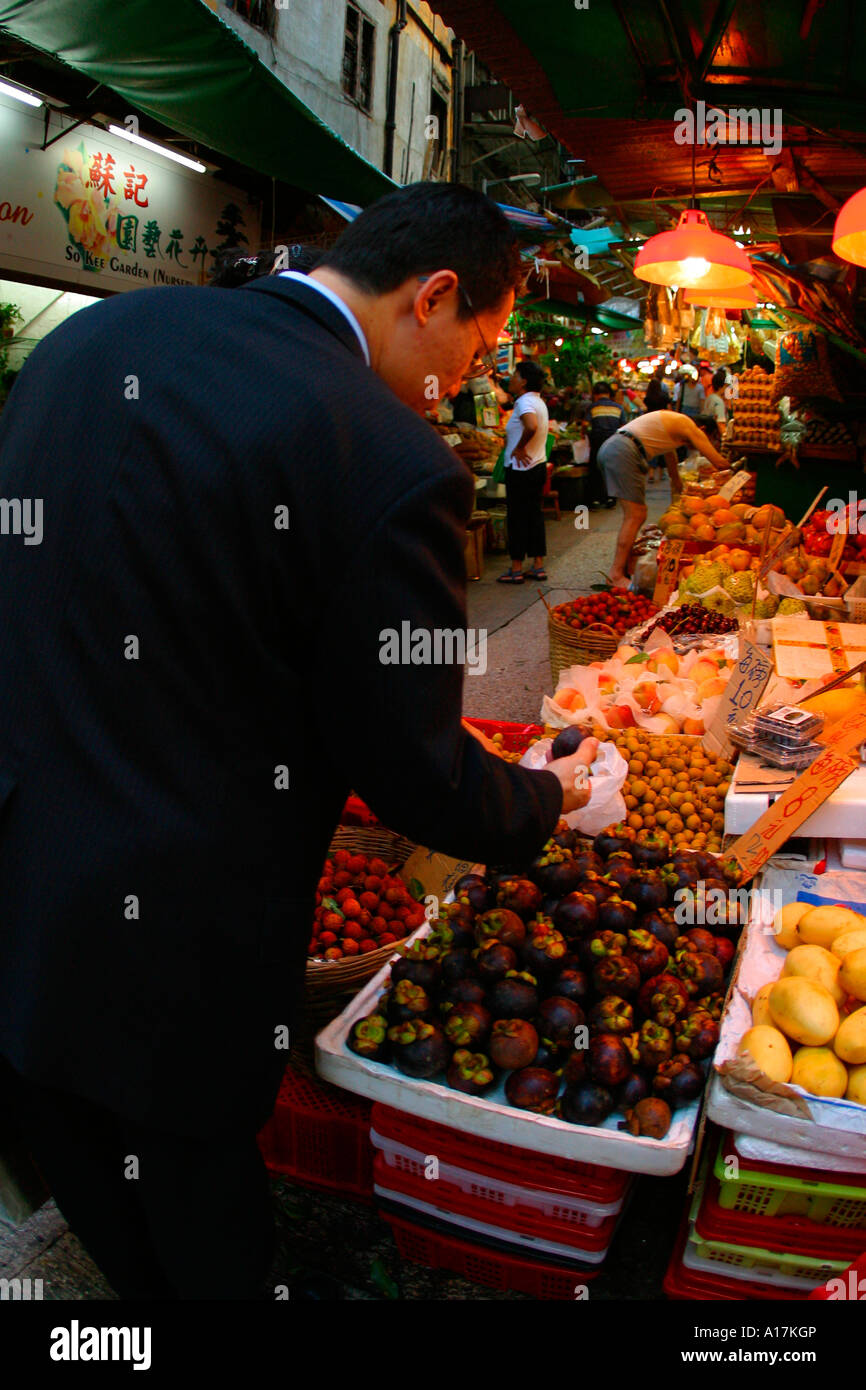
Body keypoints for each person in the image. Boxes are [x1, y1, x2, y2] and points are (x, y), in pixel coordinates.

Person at [0, 182, 599, 1300]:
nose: (467, 381)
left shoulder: (95, 339)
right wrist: (547, 802)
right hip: (178, 940)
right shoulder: (390, 457)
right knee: (202, 1211)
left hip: (21, 870)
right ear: (432, 296)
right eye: (478, 347)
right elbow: (413, 767)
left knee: (80, 1167)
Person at [598, 410, 728, 588]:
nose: (706, 443)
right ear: (703, 429)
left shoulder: (673, 427)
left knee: (634, 514)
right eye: (710, 438)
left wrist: (679, 490)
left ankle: (625, 567)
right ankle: (616, 575)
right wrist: (736, 473)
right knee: (636, 515)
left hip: (616, 447)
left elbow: (671, 460)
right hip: (624, 451)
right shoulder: (688, 425)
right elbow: (719, 463)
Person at [498, 358, 550, 583]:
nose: (512, 379)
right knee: (534, 516)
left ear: (524, 381)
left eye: (516, 375)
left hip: (520, 470)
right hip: (537, 466)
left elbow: (531, 426)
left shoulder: (523, 403)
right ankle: (537, 565)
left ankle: (516, 568)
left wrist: (519, 447)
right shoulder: (538, 401)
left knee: (517, 518)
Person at [586, 381, 624, 510]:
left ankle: (596, 500)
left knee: (595, 469)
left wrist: (584, 433)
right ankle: (611, 499)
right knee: (611, 469)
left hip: (597, 441)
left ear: (595, 394)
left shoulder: (593, 407)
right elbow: (623, 426)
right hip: (613, 441)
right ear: (609, 394)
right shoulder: (618, 408)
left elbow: (586, 425)